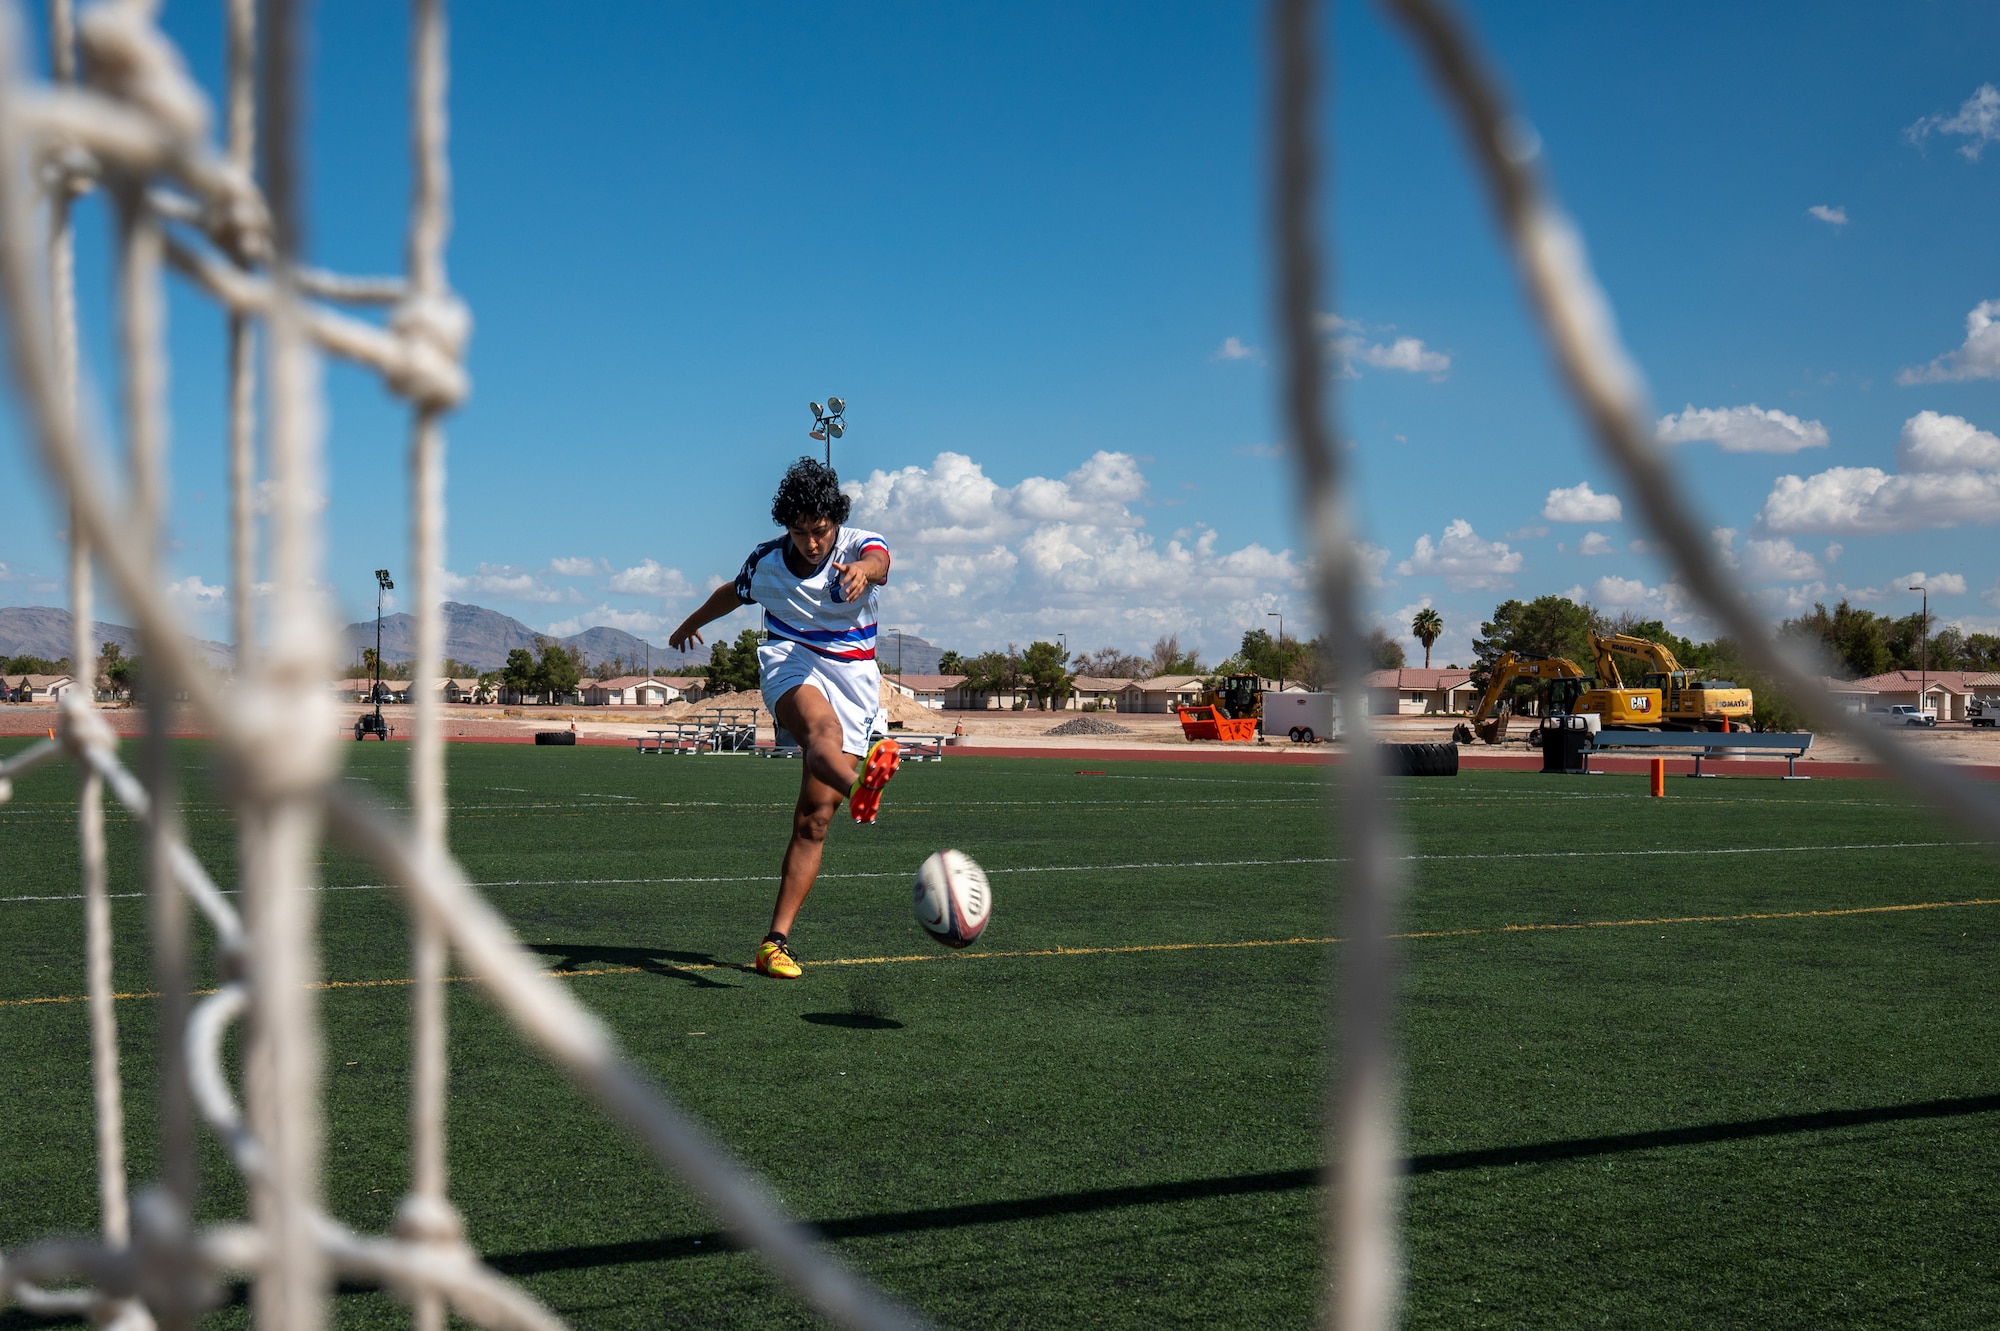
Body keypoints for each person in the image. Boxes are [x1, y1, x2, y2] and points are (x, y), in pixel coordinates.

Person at [669, 457, 900, 979]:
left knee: (814, 821)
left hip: (855, 676)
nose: (811, 543)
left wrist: (864, 571)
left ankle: (773, 944)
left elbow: (879, 561)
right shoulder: (768, 562)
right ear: (786, 527)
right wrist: (687, 625)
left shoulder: (859, 545)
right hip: (791, 660)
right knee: (822, 732)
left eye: (819, 531)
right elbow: (732, 593)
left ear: (835, 521)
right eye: (799, 532)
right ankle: (863, 779)